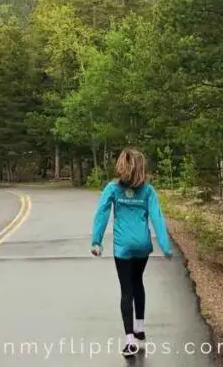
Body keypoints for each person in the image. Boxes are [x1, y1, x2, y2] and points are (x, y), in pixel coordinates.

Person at [90, 147, 173, 357]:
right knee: (138, 282)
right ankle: (140, 327)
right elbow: (157, 218)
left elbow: (102, 213)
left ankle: (129, 340)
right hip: (143, 246)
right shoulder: (148, 191)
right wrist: (165, 246)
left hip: (123, 247)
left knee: (126, 290)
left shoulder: (112, 188)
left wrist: (96, 241)